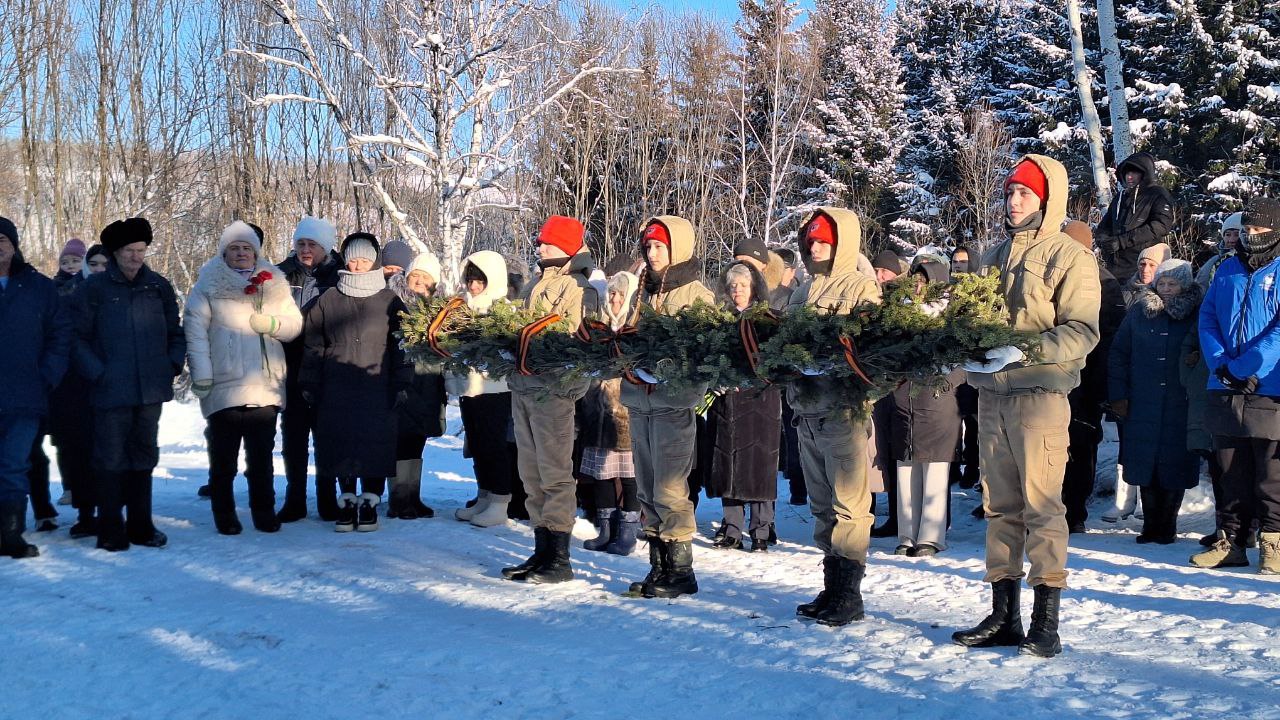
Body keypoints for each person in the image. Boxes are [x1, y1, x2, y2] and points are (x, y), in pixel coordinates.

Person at [952, 155, 1100, 658]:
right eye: (1010, 192)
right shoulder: (991, 256)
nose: (1013, 201)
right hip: (991, 398)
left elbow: (1083, 330)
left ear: (1046, 199)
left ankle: (1045, 621)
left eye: (1024, 194)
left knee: (1042, 508)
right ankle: (1003, 615)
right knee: (999, 508)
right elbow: (970, 317)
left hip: (1039, 399)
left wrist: (1025, 348)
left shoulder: (1071, 257)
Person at [786, 208, 882, 627]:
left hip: (842, 410)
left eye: (825, 240)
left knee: (849, 507)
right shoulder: (800, 292)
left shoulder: (861, 288)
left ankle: (849, 593)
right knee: (822, 504)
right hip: (806, 411)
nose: (817, 247)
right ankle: (831, 586)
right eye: (811, 242)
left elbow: (870, 349)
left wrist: (831, 365)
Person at [72, 218, 186, 551]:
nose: (136, 257)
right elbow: (76, 338)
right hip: (110, 390)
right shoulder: (94, 288)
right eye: (129, 251)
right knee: (110, 458)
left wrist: (171, 364)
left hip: (150, 389)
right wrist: (98, 372)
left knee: (144, 455)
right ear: (115, 252)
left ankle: (141, 525)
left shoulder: (158, 286)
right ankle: (110, 527)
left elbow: (176, 332)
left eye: (141, 250)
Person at [498, 216, 600, 584]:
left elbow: (576, 337)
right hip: (524, 388)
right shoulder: (536, 283)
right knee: (531, 473)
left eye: (546, 243)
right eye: (540, 242)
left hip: (553, 391)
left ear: (566, 247)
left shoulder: (578, 287)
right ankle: (542, 550)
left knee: (555, 473)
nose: (539, 247)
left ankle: (559, 556)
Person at [184, 221, 302, 535]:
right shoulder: (208, 284)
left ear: (255, 253)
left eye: (246, 248)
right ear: (224, 252)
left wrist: (272, 324)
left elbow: (293, 326)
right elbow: (195, 334)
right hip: (222, 383)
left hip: (264, 383)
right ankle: (224, 513)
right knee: (223, 458)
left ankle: (263, 510)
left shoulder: (273, 282)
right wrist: (203, 375)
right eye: (234, 248)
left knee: (261, 456)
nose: (240, 253)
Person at [619, 216, 715, 599]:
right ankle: (658, 566)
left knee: (671, 487)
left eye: (660, 246)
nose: (653, 253)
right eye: (649, 247)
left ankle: (680, 570)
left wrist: (669, 374)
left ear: (679, 248)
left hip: (673, 405)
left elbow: (704, 356)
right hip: (639, 401)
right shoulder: (641, 293)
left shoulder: (696, 296)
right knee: (646, 484)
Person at [1190, 197, 1280, 574]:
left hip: (1269, 384)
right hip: (1224, 385)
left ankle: (1273, 543)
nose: (1250, 236)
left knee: (1271, 473)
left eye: (1259, 230)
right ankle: (1232, 541)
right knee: (1228, 469)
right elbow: (1207, 318)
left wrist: (1246, 366)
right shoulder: (1226, 269)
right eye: (1246, 229)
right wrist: (1220, 364)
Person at [300, 233, 411, 532]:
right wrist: (309, 381)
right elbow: (313, 344)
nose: (359, 264)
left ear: (374, 260)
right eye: (353, 258)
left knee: (376, 442)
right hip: (337, 384)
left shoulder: (389, 300)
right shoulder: (329, 299)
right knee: (341, 441)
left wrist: (402, 381)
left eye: (365, 258)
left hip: (378, 382)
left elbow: (403, 344)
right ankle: (346, 500)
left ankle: (370, 501)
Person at [1108, 259, 1202, 544]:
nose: (1166, 289)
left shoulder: (1196, 313)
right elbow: (1119, 353)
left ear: (1184, 285)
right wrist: (1118, 395)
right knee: (1145, 463)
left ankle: (1168, 525)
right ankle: (1150, 526)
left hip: (1181, 399)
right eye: (1162, 283)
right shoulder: (1139, 311)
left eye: (1172, 283)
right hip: (1143, 398)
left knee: (1175, 463)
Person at [0, 216, 71, 558]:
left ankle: (11, 535)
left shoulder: (39, 287)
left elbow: (60, 336)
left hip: (24, 395)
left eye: (3, 239)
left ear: (14, 246)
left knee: (15, 464)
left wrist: (46, 375)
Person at [705, 262, 782, 553]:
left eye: (743, 285)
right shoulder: (720, 320)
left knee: (760, 465)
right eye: (732, 285)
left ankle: (761, 529)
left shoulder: (768, 319)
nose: (737, 291)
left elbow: (775, 358)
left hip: (761, 399)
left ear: (754, 288)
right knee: (730, 465)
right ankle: (732, 527)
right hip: (728, 400)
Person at [889, 259, 962, 557]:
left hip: (938, 400)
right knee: (906, 467)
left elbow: (966, 361)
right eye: (915, 281)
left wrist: (947, 383)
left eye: (924, 281)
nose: (918, 287)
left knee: (934, 467)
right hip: (905, 399)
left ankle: (930, 536)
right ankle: (906, 534)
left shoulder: (952, 317)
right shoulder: (900, 315)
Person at [448, 251, 521, 528]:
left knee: (494, 445)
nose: (474, 286)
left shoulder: (504, 311)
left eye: (480, 280)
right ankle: (484, 495)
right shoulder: (464, 308)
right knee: (477, 444)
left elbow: (510, 350)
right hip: (470, 388)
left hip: (496, 389)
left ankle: (501, 500)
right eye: (470, 279)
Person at [1060, 221, 1125, 533]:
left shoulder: (1105, 284)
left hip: (1087, 381)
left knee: (1082, 445)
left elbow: (1111, 340)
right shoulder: (1055, 275)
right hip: (1056, 377)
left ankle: (1074, 512)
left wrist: (1102, 388)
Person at [276, 217, 342, 523]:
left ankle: (327, 498)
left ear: (324, 247)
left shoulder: (340, 276)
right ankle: (295, 498)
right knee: (294, 437)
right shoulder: (279, 274)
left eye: (311, 244)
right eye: (300, 243)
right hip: (290, 365)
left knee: (327, 437)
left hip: (327, 367)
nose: (305, 249)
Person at [26, 238, 89, 527]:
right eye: (66, 262)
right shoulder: (49, 289)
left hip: (76, 373)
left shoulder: (91, 288)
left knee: (76, 438)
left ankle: (82, 492)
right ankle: (63, 490)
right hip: (48, 379)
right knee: (55, 440)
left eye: (75, 261)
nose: (70, 266)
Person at [579, 271, 641, 556]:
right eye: (612, 293)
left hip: (626, 412)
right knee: (602, 473)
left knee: (629, 476)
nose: (615, 299)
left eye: (620, 294)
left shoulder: (635, 326)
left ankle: (627, 531)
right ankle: (605, 528)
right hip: (596, 409)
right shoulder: (597, 325)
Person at [385, 246, 447, 520]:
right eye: (415, 278)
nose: (419, 284)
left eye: (425, 280)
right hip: (404, 381)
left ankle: (413, 495)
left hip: (430, 382)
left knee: (418, 440)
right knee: (400, 440)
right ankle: (399, 498)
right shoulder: (394, 304)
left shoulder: (441, 311)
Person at [1095, 151, 1175, 283]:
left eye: (1134, 173)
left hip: (1143, 267)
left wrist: (1122, 241)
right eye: (1127, 173)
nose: (1129, 177)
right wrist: (1103, 241)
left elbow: (1161, 225)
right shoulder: (1120, 198)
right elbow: (1104, 226)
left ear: (1144, 174)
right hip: (1114, 266)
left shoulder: (1157, 194)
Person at [732, 236, 788, 310]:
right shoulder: (728, 294)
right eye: (737, 261)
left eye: (747, 261)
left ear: (763, 264)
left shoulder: (784, 297)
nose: (741, 265)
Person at [1121, 242, 1171, 309]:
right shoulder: (1124, 291)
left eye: (1152, 265)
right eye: (1142, 264)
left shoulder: (1168, 295)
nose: (1145, 270)